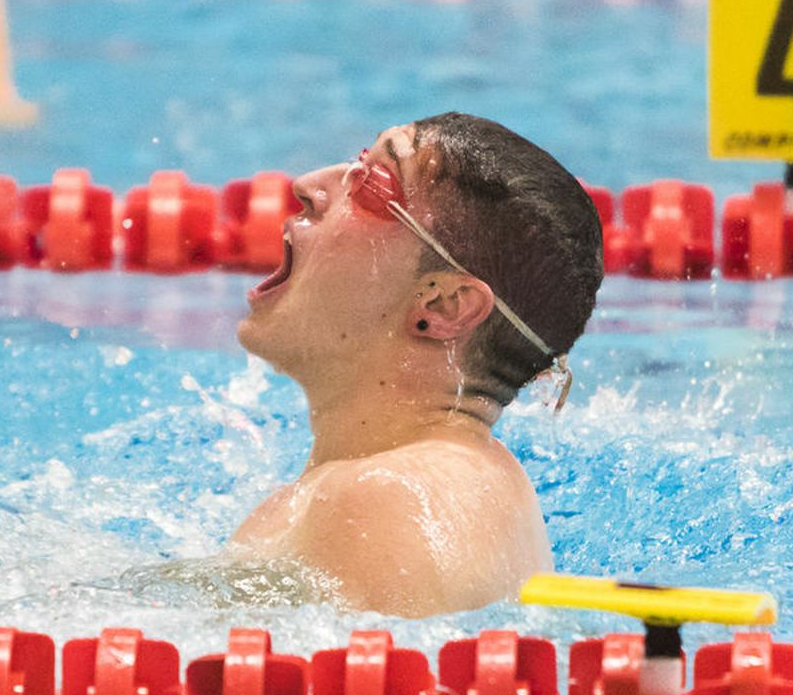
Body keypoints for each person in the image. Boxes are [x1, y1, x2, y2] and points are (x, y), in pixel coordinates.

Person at [231, 113, 604, 618]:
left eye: (370, 184)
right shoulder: (453, 482)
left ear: (444, 306)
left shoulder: (382, 503)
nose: (308, 185)